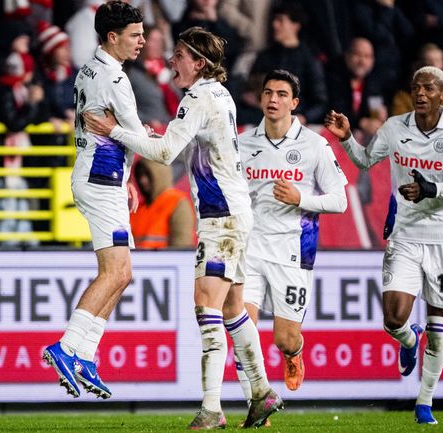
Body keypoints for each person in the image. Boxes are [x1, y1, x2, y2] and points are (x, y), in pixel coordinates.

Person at [83, 26, 282, 429]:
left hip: (221, 216)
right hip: (234, 212)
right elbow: (182, 142)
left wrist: (113, 131)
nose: (171, 61)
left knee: (207, 308)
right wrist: (150, 134)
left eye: (179, 55)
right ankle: (261, 392)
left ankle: (212, 408)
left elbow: (164, 153)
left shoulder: (197, 98)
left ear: (199, 63)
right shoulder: (218, 94)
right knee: (232, 309)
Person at [324, 65, 443, 425]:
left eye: (429, 88)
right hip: (405, 236)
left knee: (439, 328)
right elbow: (364, 161)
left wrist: (430, 189)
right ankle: (408, 340)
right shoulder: (394, 127)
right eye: (416, 87)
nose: (420, 93)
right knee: (393, 319)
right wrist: (347, 138)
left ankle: (424, 402)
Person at [41, 1, 146, 400]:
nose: (142, 41)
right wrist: (150, 138)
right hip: (100, 181)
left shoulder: (91, 68)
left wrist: (127, 175)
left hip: (106, 177)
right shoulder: (114, 79)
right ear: (112, 37)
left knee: (123, 274)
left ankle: (84, 354)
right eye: (135, 35)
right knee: (114, 272)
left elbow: (121, 134)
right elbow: (144, 142)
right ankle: (67, 347)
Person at [235, 69, 347, 398]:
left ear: (294, 103)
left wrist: (301, 199)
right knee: (243, 331)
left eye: (282, 94)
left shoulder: (315, 145)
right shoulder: (243, 143)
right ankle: (258, 403)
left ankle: (293, 353)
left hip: (293, 250)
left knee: (284, 338)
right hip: (250, 247)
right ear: (260, 99)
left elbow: (340, 201)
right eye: (268, 92)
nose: (273, 99)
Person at [129, 158, 195, 249]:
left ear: (160, 175)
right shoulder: (137, 209)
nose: (142, 180)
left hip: (164, 258)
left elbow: (182, 247)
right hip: (135, 258)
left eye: (147, 174)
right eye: (140, 175)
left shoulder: (177, 203)